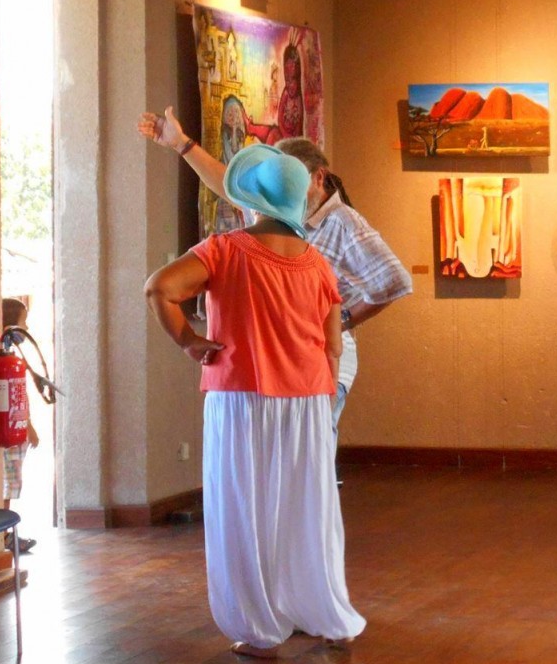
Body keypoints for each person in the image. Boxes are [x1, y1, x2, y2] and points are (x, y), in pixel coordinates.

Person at [144, 143, 363, 658]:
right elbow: (332, 345)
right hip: (308, 399)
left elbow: (160, 288)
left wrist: (189, 341)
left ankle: (260, 628)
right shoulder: (317, 264)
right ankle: (330, 617)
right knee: (309, 510)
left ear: (253, 199)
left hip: (241, 399)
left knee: (245, 509)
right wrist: (317, 392)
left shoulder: (224, 250)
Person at [137, 106, 412, 433]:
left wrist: (345, 320)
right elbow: (227, 184)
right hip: (271, 366)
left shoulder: (340, 224)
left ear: (318, 177)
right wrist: (182, 144)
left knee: (306, 449)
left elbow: (393, 281)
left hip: (311, 365)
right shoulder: (275, 214)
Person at [0, 297, 39, 554]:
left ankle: (4, 534)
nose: (26, 329)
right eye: (23, 323)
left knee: (9, 485)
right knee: (6, 485)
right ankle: (2, 534)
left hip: (17, 429)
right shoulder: (4, 358)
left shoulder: (12, 356)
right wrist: (28, 426)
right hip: (11, 431)